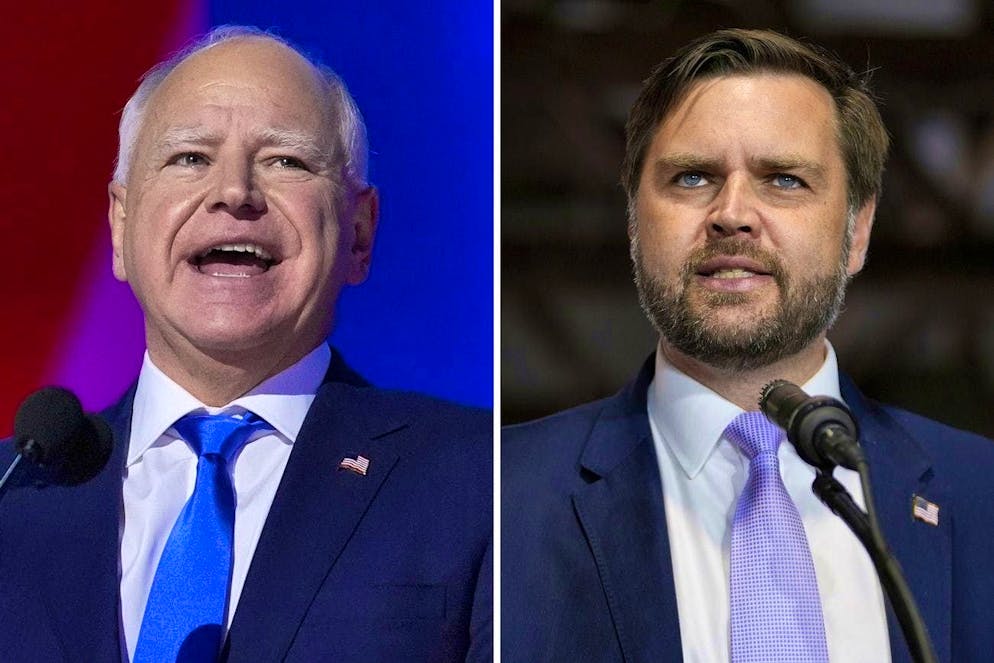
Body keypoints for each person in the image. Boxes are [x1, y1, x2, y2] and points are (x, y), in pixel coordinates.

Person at [0, 26, 491, 663]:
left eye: (286, 160)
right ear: (120, 226)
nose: (235, 192)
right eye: (190, 159)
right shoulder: (15, 494)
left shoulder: (475, 479)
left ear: (360, 232)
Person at [502, 28, 994, 663]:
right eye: (692, 177)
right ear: (634, 221)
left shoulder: (980, 497)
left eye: (784, 180)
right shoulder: (500, 499)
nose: (732, 212)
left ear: (858, 230)